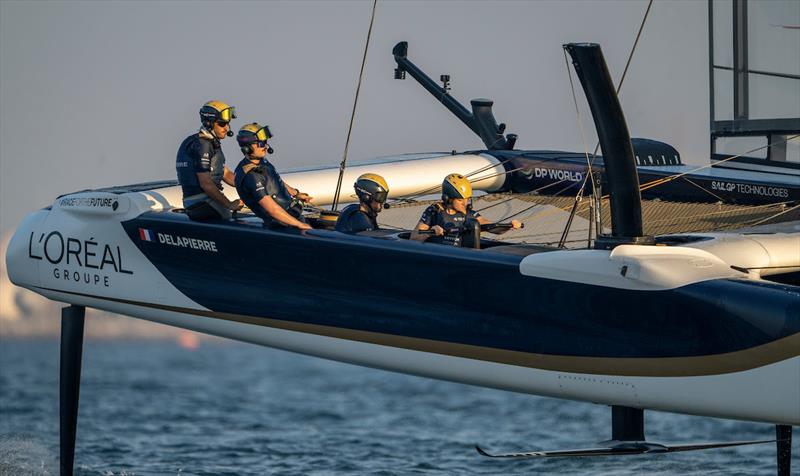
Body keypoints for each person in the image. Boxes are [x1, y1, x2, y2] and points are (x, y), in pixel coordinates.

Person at [233, 122, 312, 230]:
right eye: (260, 144)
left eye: (265, 142)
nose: (265, 146)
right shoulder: (251, 176)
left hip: (291, 216)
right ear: (247, 148)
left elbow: (273, 181)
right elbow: (272, 209)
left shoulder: (260, 162)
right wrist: (299, 225)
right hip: (281, 225)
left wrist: (295, 193)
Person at [410, 173, 522, 247]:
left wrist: (509, 225)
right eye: (460, 200)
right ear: (448, 199)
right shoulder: (434, 211)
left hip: (460, 257)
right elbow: (414, 238)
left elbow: (491, 227)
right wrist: (431, 232)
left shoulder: (470, 214)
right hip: (440, 256)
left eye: (467, 199)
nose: (465, 203)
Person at [176, 100, 243, 221]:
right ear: (209, 123)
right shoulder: (203, 145)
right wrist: (229, 204)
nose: (227, 128)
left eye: (228, 124)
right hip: (203, 203)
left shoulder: (205, 142)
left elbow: (224, 172)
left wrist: (246, 185)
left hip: (200, 201)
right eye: (222, 124)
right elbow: (206, 183)